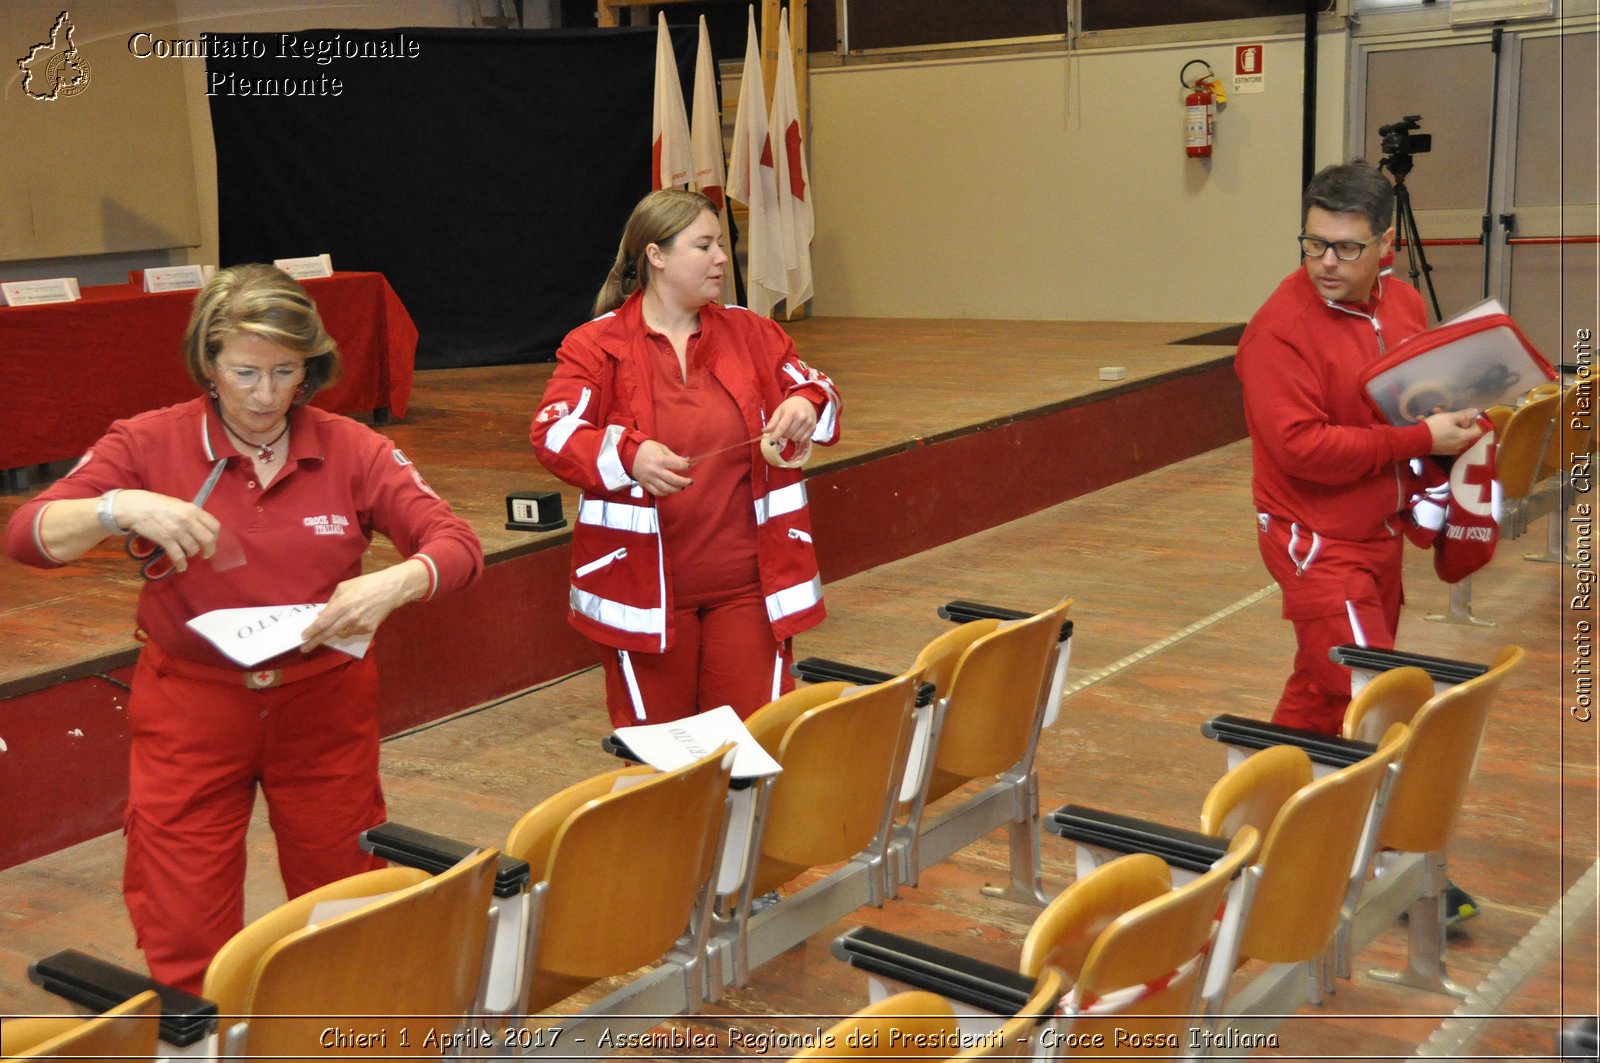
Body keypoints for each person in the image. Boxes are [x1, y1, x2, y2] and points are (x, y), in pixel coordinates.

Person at [3, 264, 483, 992]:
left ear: (309, 367)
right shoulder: (148, 442)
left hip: (323, 703)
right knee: (182, 912)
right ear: (209, 363)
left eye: (286, 371)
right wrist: (118, 507)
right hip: (193, 708)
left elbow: (457, 544)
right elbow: (28, 535)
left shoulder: (350, 445)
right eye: (245, 371)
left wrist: (401, 578)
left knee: (342, 899)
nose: (265, 395)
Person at [530, 189, 841, 729]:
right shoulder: (594, 345)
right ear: (656, 256)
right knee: (662, 762)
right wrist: (629, 452)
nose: (722, 257)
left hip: (750, 590)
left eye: (720, 244)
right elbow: (552, 432)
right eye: (704, 245)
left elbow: (820, 389)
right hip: (644, 595)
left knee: (753, 747)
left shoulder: (752, 332)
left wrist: (804, 402)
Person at [1236, 161, 1483, 736]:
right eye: (1315, 243)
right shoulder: (1278, 332)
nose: (1326, 261)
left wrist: (1457, 413)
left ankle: (1267, 813)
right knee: (1372, 693)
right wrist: (1422, 439)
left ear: (1386, 243)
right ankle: (1355, 817)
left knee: (1324, 690)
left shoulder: (1404, 305)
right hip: (1315, 539)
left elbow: (1417, 399)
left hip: (1379, 529)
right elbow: (1302, 448)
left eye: (1346, 249)